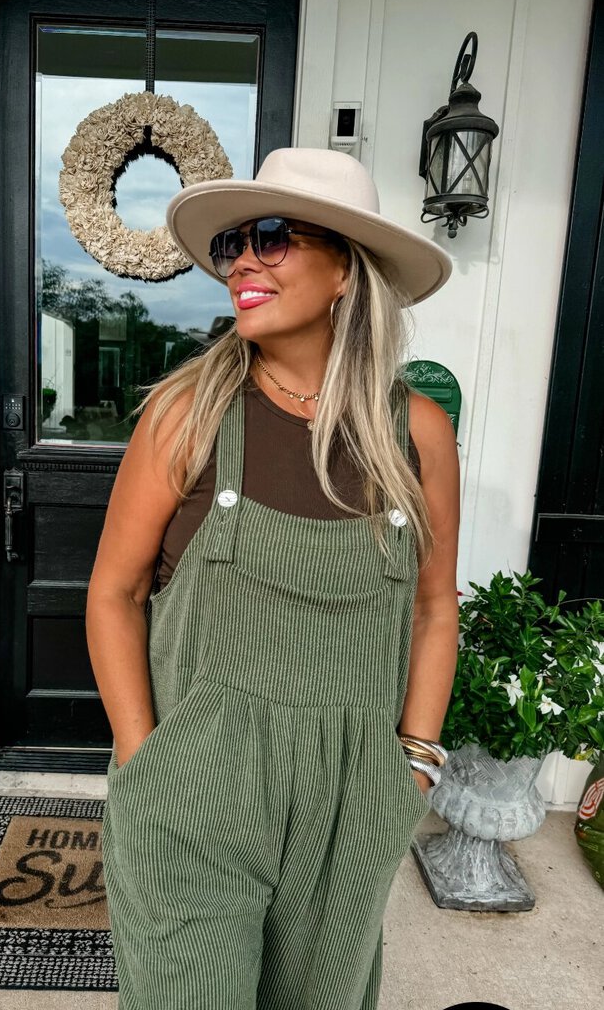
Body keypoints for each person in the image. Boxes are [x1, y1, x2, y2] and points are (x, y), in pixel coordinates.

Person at [86, 148, 460, 1010]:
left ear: (345, 272)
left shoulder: (416, 433)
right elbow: (113, 594)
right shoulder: (187, 415)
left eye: (270, 238)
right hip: (193, 796)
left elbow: (433, 609)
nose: (241, 264)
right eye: (231, 246)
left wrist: (412, 768)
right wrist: (147, 764)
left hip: (351, 803)